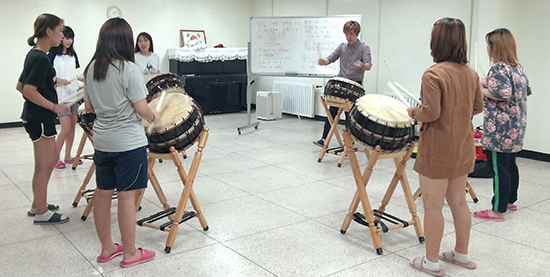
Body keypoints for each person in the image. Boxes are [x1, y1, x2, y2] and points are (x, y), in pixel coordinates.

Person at [406, 18, 483, 276]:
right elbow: (477, 108)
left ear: (436, 42)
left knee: (433, 206)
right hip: (462, 145)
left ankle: (431, 262)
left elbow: (430, 113)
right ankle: (461, 254)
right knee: (459, 202)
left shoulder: (433, 73)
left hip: (437, 149)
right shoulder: (471, 73)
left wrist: (412, 111)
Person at [84, 18, 159, 267]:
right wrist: (153, 115)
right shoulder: (128, 69)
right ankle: (130, 254)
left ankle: (107, 249)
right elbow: (141, 109)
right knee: (127, 197)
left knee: (103, 194)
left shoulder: (91, 68)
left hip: (102, 141)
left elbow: (89, 107)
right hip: (128, 143)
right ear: (126, 41)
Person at [16, 13, 70, 224]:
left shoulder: (34, 55)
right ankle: (41, 213)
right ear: (49, 31)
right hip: (40, 118)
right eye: (60, 30)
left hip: (37, 117)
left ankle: (38, 204)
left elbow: (20, 86)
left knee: (46, 162)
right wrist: (54, 106)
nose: (62, 35)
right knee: (44, 165)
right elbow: (28, 90)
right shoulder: (40, 58)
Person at [473, 28, 531, 222]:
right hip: (517, 127)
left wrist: (480, 88)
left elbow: (502, 93)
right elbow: (524, 90)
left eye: (488, 45)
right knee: (510, 164)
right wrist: (488, 85)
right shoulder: (518, 68)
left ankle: (498, 209)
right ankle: (510, 200)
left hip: (500, 130)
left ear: (495, 46)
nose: (487, 49)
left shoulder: (499, 68)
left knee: (498, 168)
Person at [313, 20, 371, 147]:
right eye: (346, 34)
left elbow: (368, 66)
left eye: (351, 34)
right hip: (341, 84)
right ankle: (324, 140)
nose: (348, 37)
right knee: (332, 111)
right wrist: (324, 61)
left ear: (357, 34)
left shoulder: (364, 48)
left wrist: (361, 65)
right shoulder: (342, 47)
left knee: (349, 115)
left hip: (355, 85)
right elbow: (331, 58)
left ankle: (348, 143)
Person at [47, 26, 83, 169]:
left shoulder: (73, 55)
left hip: (74, 94)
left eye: (71, 38)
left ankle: (68, 156)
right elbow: (48, 76)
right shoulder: (51, 56)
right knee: (65, 128)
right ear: (61, 38)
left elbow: (73, 72)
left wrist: (79, 78)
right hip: (61, 96)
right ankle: (55, 158)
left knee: (72, 127)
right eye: (67, 38)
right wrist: (59, 80)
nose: (69, 41)